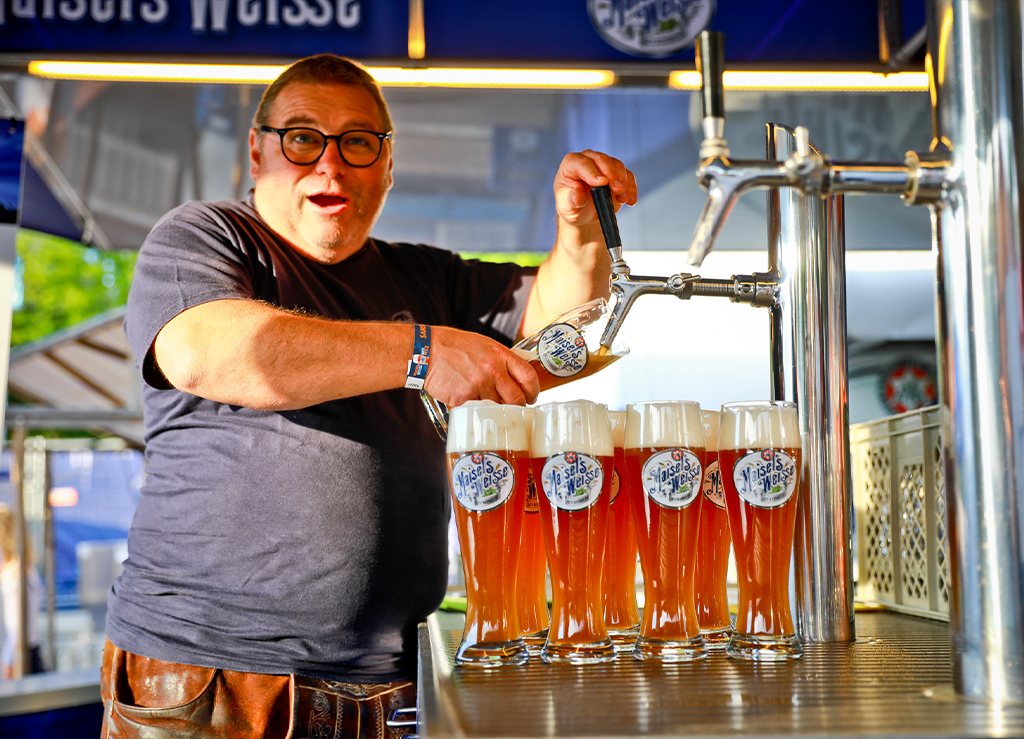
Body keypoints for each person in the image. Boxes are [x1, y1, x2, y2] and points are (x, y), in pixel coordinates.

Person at [101, 53, 636, 738]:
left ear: (387, 164)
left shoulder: (427, 278)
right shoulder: (206, 237)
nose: (330, 165)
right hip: (212, 681)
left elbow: (568, 337)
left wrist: (580, 231)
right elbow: (210, 353)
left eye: (357, 142)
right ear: (258, 152)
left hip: (391, 692)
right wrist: (421, 353)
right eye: (302, 138)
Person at [0, 504, 45, 679]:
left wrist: (8, 664)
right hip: (21, 655)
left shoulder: (16, 576)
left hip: (19, 661)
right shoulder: (20, 571)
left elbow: (16, 632)